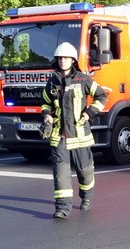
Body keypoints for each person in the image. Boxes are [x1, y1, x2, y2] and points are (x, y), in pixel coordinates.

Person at [41, 42, 108, 219]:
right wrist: (47, 115)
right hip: (59, 135)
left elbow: (102, 96)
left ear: (72, 60)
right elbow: (45, 102)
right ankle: (62, 208)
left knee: (85, 171)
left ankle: (86, 196)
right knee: (61, 174)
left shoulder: (83, 79)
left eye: (66, 58)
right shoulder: (52, 81)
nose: (63, 61)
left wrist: (89, 113)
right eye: (60, 58)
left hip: (79, 135)